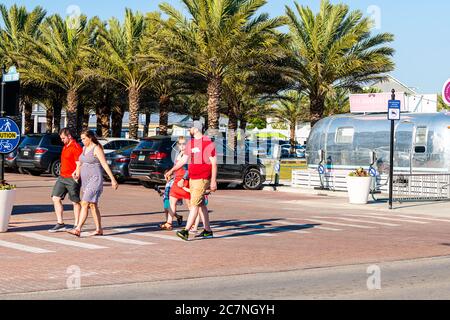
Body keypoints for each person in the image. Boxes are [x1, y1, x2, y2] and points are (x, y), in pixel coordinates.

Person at [165, 124, 217, 241]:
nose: (189, 129)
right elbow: (183, 160)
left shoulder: (207, 142)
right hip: (193, 178)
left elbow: (214, 163)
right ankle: (207, 231)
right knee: (201, 204)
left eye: (191, 127)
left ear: (197, 128)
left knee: (194, 204)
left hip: (203, 178)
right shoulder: (191, 143)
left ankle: (186, 231)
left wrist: (213, 181)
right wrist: (172, 171)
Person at [68, 130, 118, 237]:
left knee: (84, 203)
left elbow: (104, 164)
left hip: (95, 179)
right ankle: (99, 229)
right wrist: (76, 172)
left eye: (84, 139)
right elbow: (81, 162)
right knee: (93, 205)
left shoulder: (97, 148)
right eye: (81, 139)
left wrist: (113, 180)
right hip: (85, 180)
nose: (82, 141)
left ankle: (77, 229)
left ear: (90, 138)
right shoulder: (84, 148)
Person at [49, 128, 83, 232]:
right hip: (62, 177)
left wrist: (77, 174)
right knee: (55, 198)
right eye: (61, 138)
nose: (62, 140)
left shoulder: (76, 147)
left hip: (72, 178)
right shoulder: (65, 146)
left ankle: (76, 225)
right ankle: (60, 223)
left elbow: (79, 163)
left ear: (69, 136)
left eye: (63, 138)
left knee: (75, 202)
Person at [160, 137, 190, 231]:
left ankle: (192, 223)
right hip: (177, 180)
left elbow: (189, 168)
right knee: (172, 201)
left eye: (184, 143)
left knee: (190, 204)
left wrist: (184, 178)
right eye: (180, 144)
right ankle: (169, 223)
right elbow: (176, 167)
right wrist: (171, 174)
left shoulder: (188, 154)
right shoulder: (179, 153)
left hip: (185, 181)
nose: (182, 146)